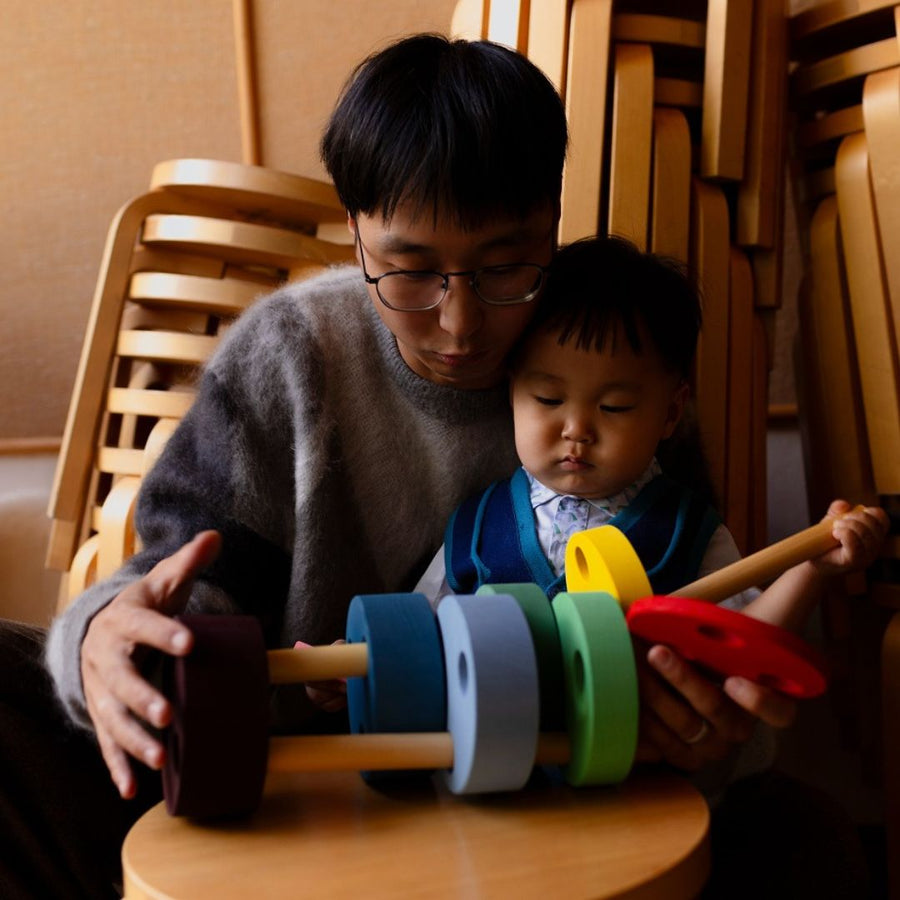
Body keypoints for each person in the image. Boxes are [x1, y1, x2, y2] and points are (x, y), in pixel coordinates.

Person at [0, 34, 828, 900]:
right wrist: (104, 637)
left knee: (803, 840)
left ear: (553, 215)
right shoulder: (289, 355)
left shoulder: (614, 357)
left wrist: (715, 737)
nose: (460, 322)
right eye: (410, 271)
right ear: (357, 233)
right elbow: (182, 587)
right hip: (284, 786)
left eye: (507, 265)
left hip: (548, 789)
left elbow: (703, 629)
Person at [415, 236, 887, 642]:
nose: (576, 429)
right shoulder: (477, 527)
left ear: (671, 412)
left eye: (614, 406)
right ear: (512, 391)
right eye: (548, 399)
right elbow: (414, 635)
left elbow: (747, 637)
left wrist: (812, 569)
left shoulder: (687, 533)